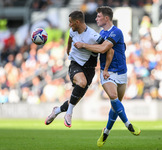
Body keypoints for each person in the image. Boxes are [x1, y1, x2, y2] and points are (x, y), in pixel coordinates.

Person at [74, 6, 141, 147]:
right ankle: (128, 124)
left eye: (98, 16)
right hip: (107, 73)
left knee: (115, 106)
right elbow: (99, 50)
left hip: (121, 72)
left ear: (106, 18)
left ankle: (106, 132)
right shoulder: (100, 33)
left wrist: (84, 45)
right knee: (113, 96)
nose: (96, 18)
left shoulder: (116, 32)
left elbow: (104, 48)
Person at [45, 10, 114, 128]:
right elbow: (70, 39)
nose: (69, 25)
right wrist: (67, 50)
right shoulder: (73, 31)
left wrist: (106, 68)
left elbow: (108, 49)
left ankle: (56, 111)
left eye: (70, 22)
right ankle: (69, 114)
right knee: (81, 83)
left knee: (74, 100)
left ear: (77, 22)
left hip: (90, 70)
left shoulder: (93, 36)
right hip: (75, 65)